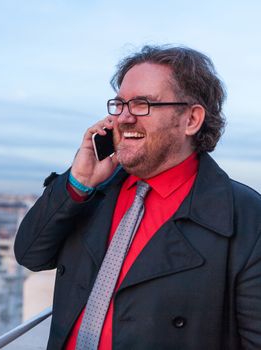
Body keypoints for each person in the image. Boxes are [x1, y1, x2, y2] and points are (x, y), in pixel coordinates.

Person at [14, 45, 261, 350]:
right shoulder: (93, 191)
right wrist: (78, 183)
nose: (124, 118)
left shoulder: (247, 217)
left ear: (192, 119)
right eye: (119, 104)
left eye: (143, 104)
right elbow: (30, 255)